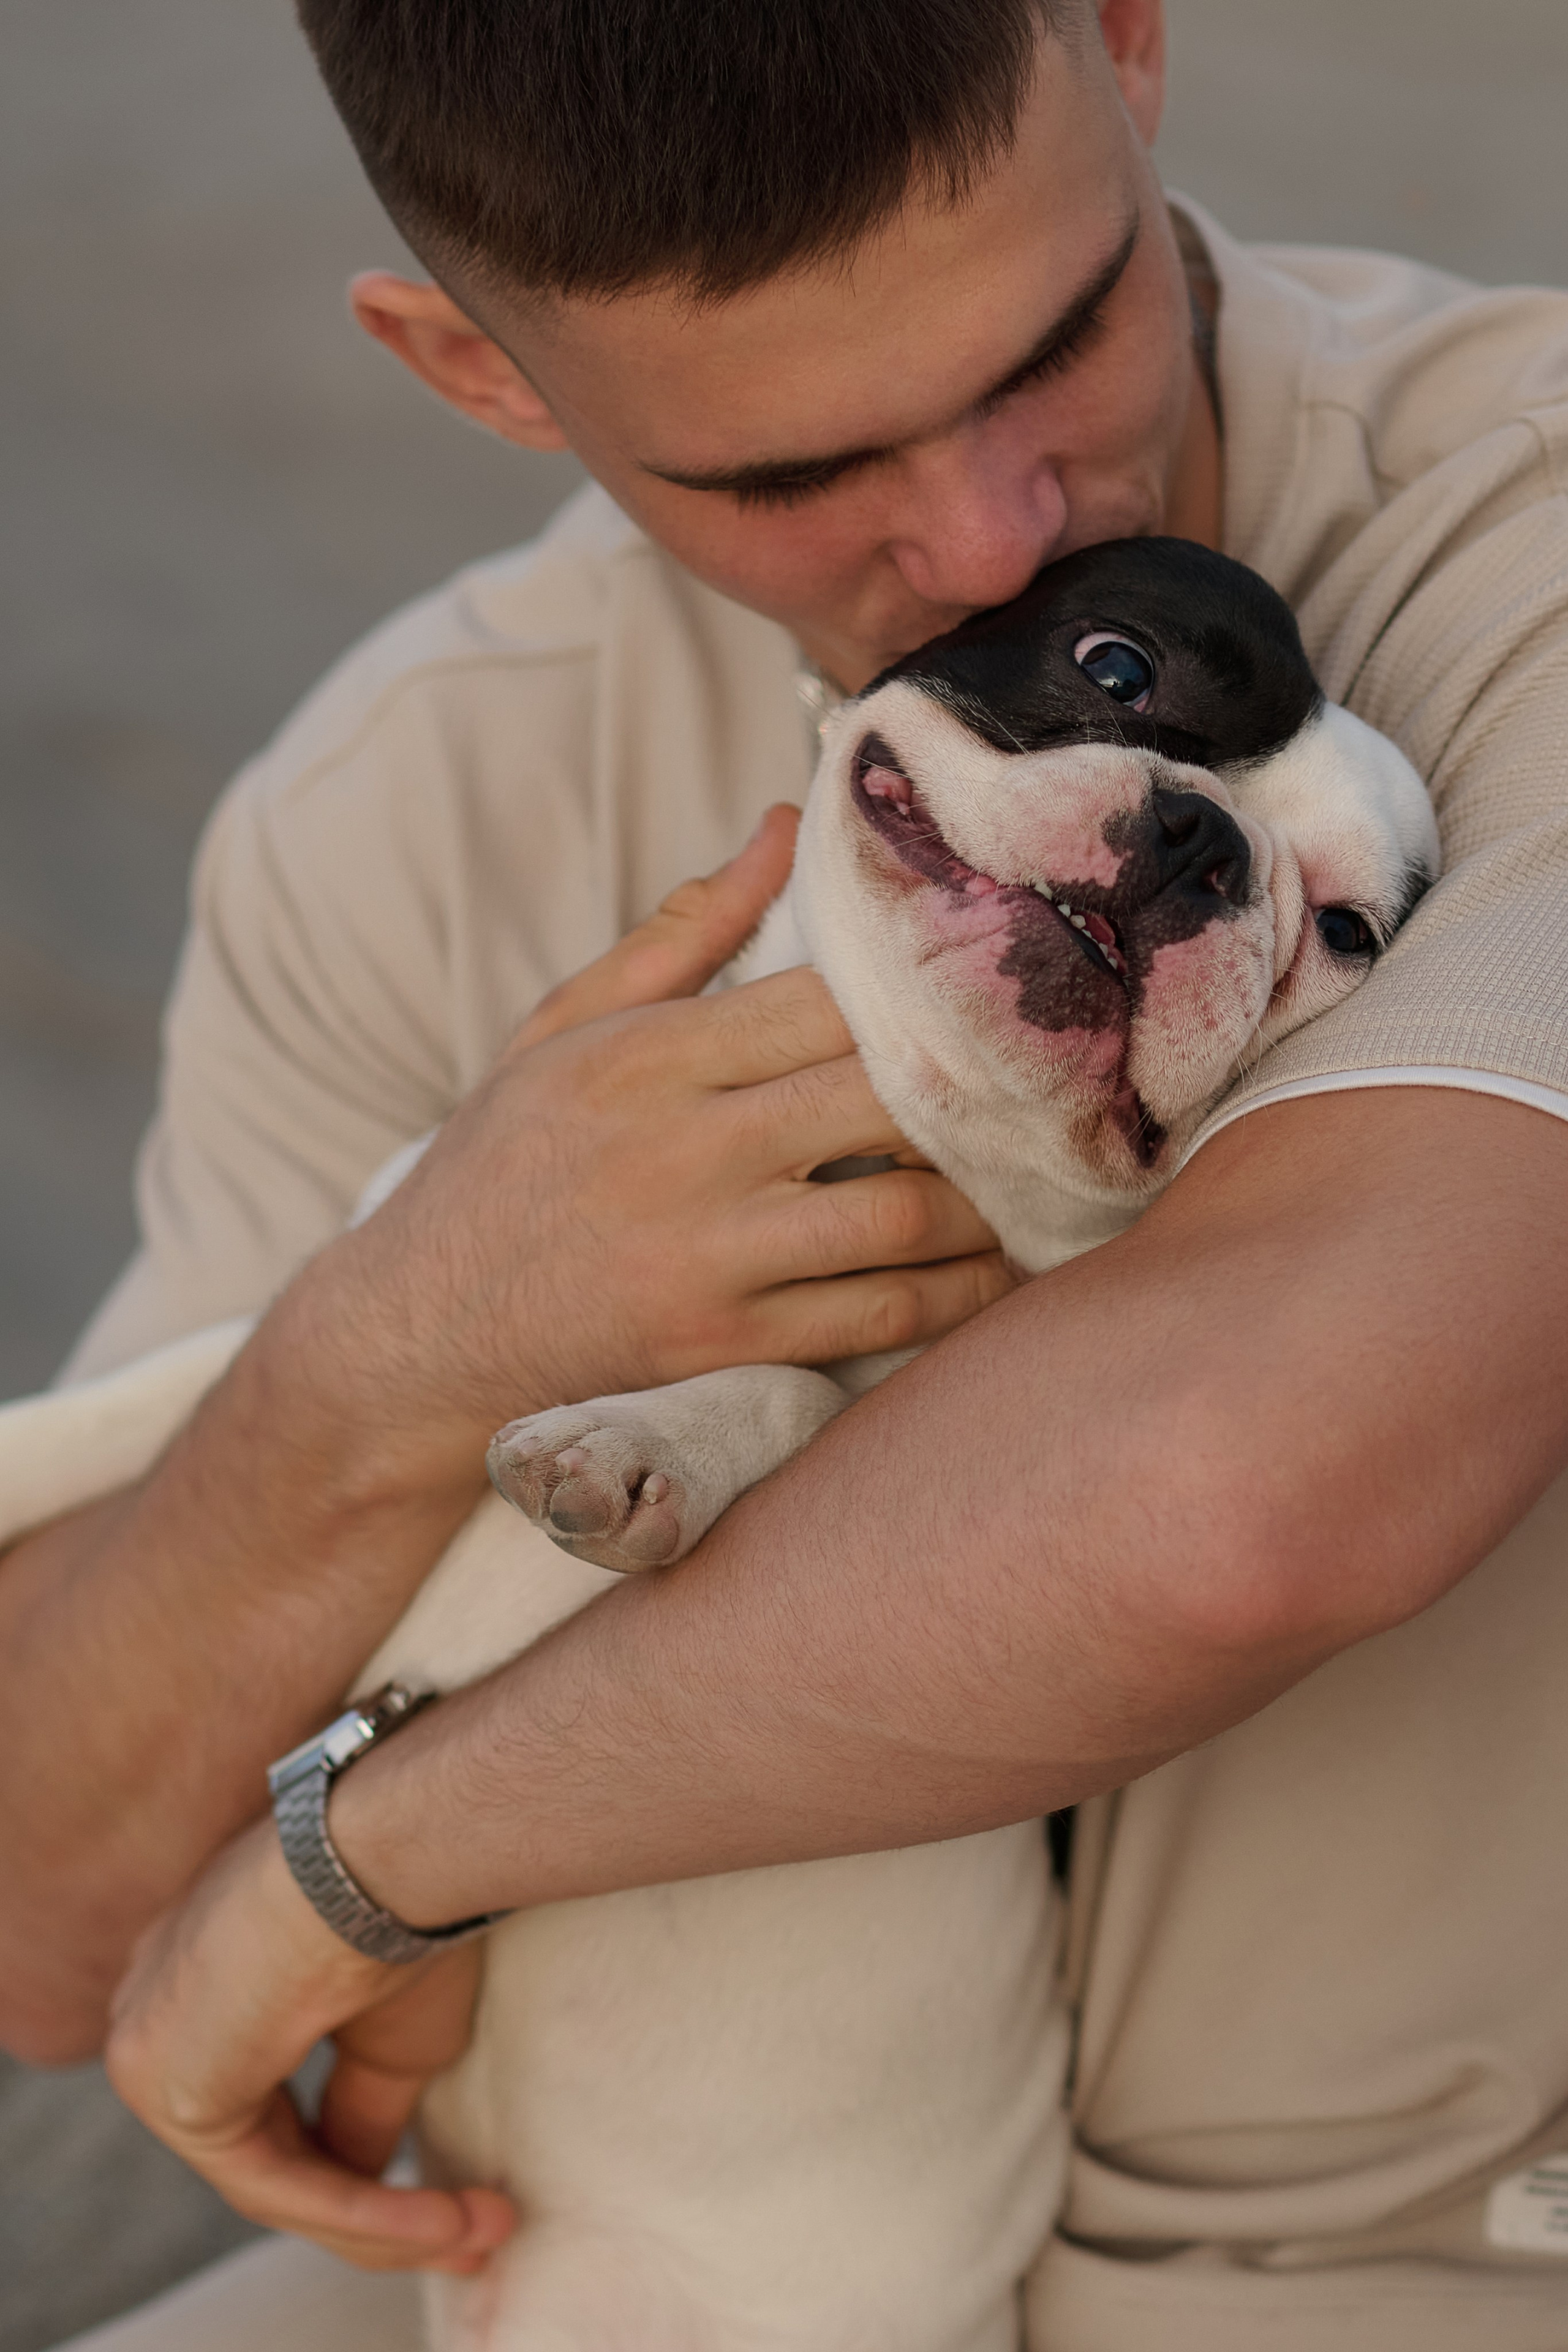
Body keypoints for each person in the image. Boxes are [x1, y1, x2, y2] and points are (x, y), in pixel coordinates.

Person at [7, 0, 1568, 2344]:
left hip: (1403, 2275)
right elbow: (48, 1920)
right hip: (581, 2258)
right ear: (481, 372)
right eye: (792, 472)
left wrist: (365, 1857)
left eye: (1062, 338)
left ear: (1128, 43)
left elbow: (1249, 1496)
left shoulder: (1520, 550)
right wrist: (393, 1345)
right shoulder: (402, 807)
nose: (996, 537)